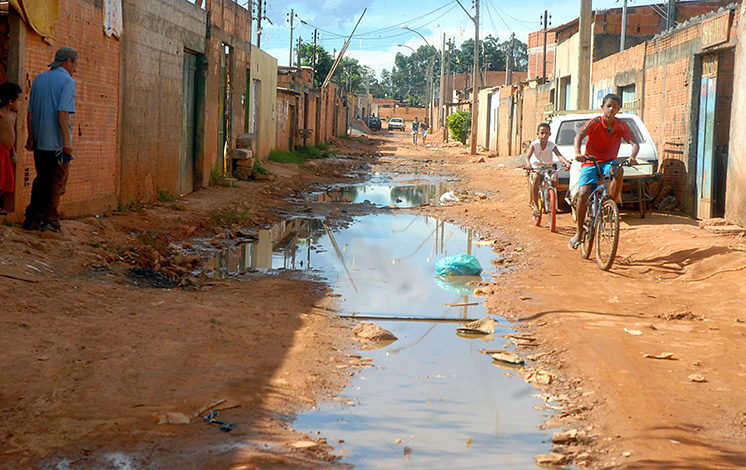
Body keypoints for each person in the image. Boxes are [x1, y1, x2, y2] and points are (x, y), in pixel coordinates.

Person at [569, 93, 639, 249]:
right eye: (608, 106)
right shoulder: (594, 122)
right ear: (603, 107)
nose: (611, 109)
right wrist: (577, 152)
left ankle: (610, 203)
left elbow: (634, 143)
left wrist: (633, 156)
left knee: (618, 170)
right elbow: (579, 135)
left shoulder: (621, 125)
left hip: (609, 162)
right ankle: (579, 231)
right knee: (584, 193)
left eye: (614, 106)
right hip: (590, 161)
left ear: (618, 109)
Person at [23, 46, 78, 233]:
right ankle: (50, 222)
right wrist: (67, 141)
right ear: (67, 62)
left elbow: (30, 113)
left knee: (41, 180)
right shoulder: (67, 82)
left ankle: (32, 219)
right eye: (75, 64)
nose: (75, 69)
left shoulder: (39, 80)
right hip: (56, 143)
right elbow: (62, 112)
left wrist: (31, 136)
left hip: (39, 141)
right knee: (56, 182)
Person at [524, 122, 570, 217]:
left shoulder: (551, 145)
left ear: (550, 134)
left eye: (546, 133)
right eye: (542, 133)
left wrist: (566, 163)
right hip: (537, 167)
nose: (544, 135)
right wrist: (528, 164)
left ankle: (550, 198)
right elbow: (527, 156)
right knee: (536, 178)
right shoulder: (534, 144)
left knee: (554, 178)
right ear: (538, 134)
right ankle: (536, 204)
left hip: (548, 167)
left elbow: (559, 155)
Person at [0, 82, 21, 215]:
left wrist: (13, 152)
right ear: (10, 101)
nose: (19, 103)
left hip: (7, 152)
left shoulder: (13, 116)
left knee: (6, 178)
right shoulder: (0, 115)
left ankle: (1, 206)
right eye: (18, 100)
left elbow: (12, 134)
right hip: (0, 151)